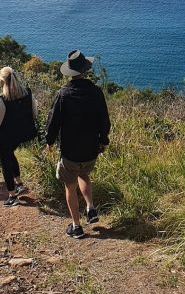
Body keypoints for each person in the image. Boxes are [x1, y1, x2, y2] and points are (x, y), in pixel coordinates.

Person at [45, 49, 111, 239]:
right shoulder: (96, 92)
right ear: (85, 70)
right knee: (84, 174)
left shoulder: (63, 94)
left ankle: (76, 226)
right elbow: (104, 121)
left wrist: (49, 141)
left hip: (70, 151)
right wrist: (103, 141)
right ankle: (91, 207)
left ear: (70, 72)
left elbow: (53, 121)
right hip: (91, 149)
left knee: (70, 185)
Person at [0, 67, 38, 206]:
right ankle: (19, 183)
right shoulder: (28, 93)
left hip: (6, 137)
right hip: (22, 134)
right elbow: (34, 112)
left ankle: (12, 196)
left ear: (2, 81)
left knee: (5, 163)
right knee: (10, 154)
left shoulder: (3, 99)